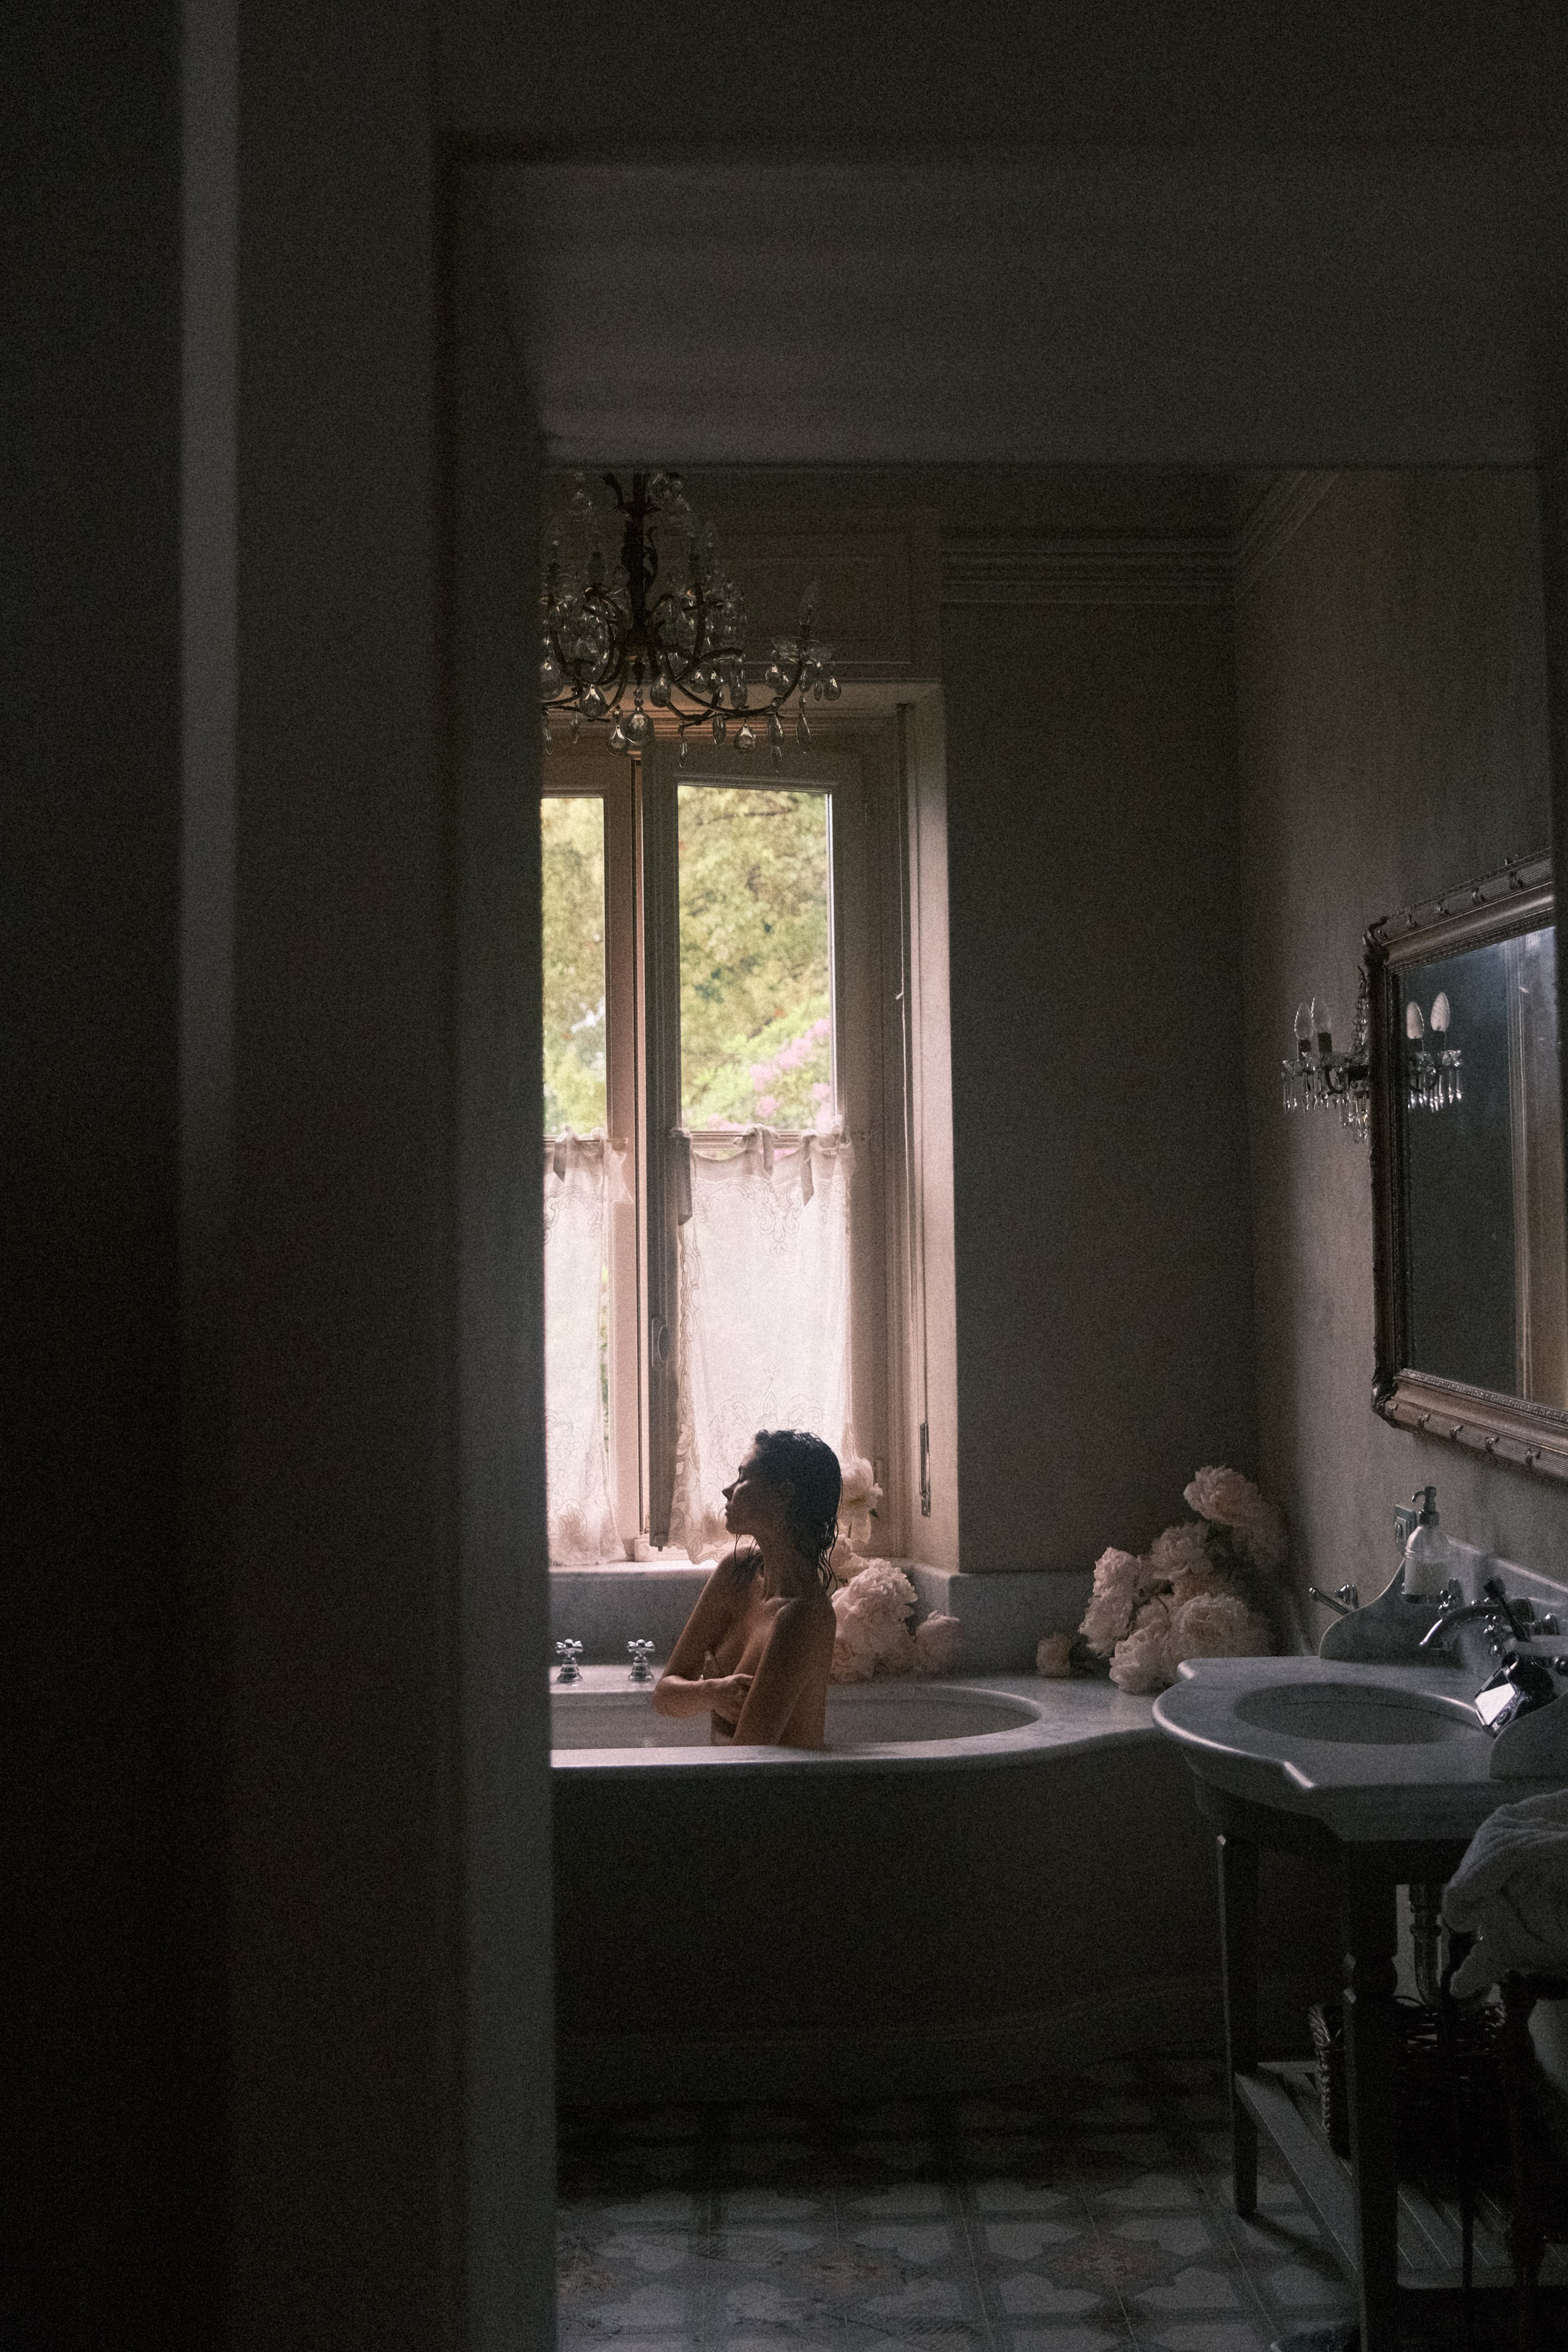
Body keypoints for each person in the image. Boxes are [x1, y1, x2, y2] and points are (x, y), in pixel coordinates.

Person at [652, 1430, 841, 1747]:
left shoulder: (803, 1615)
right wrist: (714, 1691)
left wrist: (701, 1693)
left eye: (743, 1478)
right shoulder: (736, 1573)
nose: (728, 1490)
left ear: (784, 1494)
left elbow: (748, 1762)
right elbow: (664, 1696)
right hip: (731, 1781)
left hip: (770, 1792)